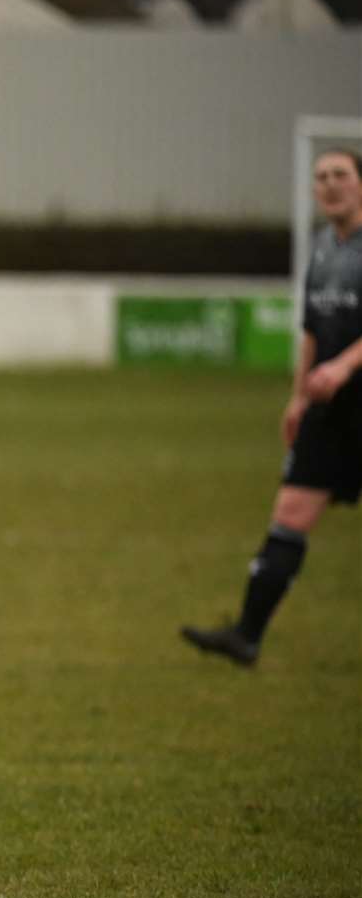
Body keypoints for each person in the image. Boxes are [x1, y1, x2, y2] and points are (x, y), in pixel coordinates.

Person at [182, 147, 362, 666]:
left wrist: (347, 367)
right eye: (321, 177)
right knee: (290, 513)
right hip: (327, 409)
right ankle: (247, 636)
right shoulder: (322, 247)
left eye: (340, 175)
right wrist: (299, 395)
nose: (329, 184)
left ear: (360, 185)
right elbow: (312, 331)